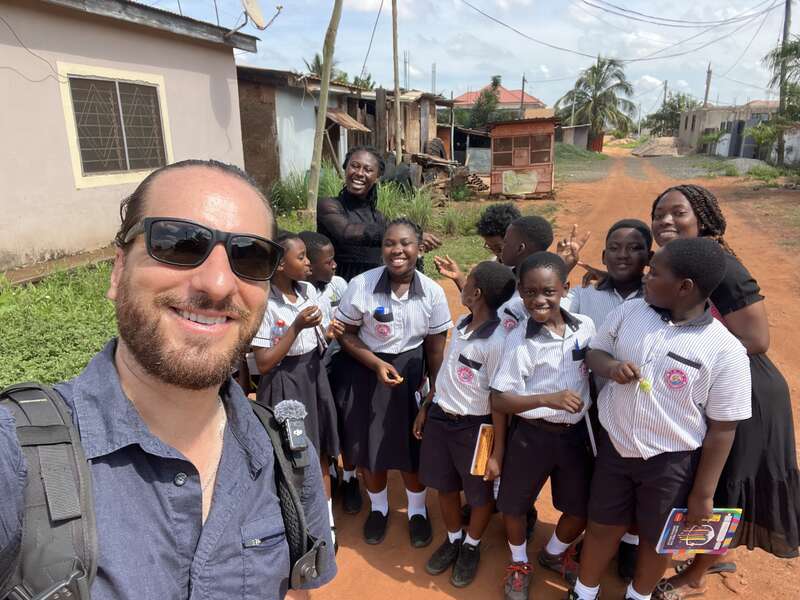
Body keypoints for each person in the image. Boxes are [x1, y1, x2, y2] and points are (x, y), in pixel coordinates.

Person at [0, 160, 336, 598]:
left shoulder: (288, 456)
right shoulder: (16, 459)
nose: (217, 284)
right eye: (178, 244)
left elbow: (295, 589)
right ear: (118, 270)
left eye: (250, 256)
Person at [568, 237, 752, 600]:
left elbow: (722, 429)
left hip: (671, 462)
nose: (646, 278)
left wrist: (703, 493)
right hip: (616, 450)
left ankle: (639, 595)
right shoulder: (631, 312)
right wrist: (611, 366)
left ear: (685, 287)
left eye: (655, 273)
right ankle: (584, 591)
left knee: (657, 539)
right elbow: (595, 352)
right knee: (603, 525)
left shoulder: (725, 350)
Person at [647, 185, 800, 599]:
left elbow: (756, 339)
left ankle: (697, 575)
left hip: (745, 391)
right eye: (658, 214)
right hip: (713, 387)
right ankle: (710, 555)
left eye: (677, 212)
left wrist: (689, 356)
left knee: (723, 483)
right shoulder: (674, 263)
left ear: (701, 217)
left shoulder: (724, 267)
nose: (666, 221)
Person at [334, 218, 452, 547]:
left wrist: (432, 395)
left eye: (405, 243)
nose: (396, 250)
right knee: (373, 448)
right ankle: (380, 508)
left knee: (413, 448)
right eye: (389, 243)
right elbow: (346, 334)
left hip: (412, 374)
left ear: (418, 248)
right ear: (381, 248)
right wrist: (375, 364)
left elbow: (435, 349)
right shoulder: (361, 285)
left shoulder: (432, 292)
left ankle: (416, 511)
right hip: (368, 370)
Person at [490, 252, 596, 600]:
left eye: (548, 291)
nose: (539, 300)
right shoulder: (521, 341)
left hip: (574, 437)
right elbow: (501, 399)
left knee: (580, 508)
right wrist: (546, 399)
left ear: (565, 288)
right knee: (513, 505)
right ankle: (519, 563)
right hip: (532, 436)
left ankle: (552, 553)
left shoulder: (585, 326)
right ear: (520, 292)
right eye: (530, 292)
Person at [413, 261, 517, 588]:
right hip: (442, 419)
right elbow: (445, 374)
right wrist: (427, 406)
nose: (463, 283)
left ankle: (471, 546)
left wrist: (498, 451)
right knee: (444, 485)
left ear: (476, 293)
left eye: (467, 280)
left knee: (478, 495)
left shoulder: (499, 341)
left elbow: (500, 401)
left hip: (477, 429)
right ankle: (455, 538)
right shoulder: (462, 323)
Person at [561, 218, 654, 581]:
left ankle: (631, 541)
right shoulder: (587, 297)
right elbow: (541, 301)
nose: (623, 255)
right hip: (595, 408)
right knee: (603, 481)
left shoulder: (659, 298)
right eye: (614, 247)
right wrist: (565, 265)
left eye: (634, 248)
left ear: (649, 256)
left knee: (639, 480)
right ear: (602, 254)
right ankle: (599, 539)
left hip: (644, 412)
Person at [251, 231, 344, 549]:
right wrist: (295, 328)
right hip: (284, 383)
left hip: (313, 378)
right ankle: (292, 525)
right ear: (279, 266)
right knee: (290, 457)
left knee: (319, 452)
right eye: (301, 257)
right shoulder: (264, 303)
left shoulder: (308, 293)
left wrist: (328, 334)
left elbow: (315, 345)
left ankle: (326, 523)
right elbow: (264, 363)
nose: (308, 263)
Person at [317, 146, 441, 282]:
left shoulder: (379, 218)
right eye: (354, 166)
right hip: (337, 286)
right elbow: (347, 232)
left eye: (368, 170)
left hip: (373, 287)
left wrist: (415, 245)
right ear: (345, 169)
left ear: (377, 177)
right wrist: (410, 234)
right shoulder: (328, 205)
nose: (359, 173)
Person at [433, 203, 521, 289]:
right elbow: (479, 302)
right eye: (490, 247)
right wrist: (458, 277)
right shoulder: (493, 266)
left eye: (499, 248)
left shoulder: (528, 272)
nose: (496, 253)